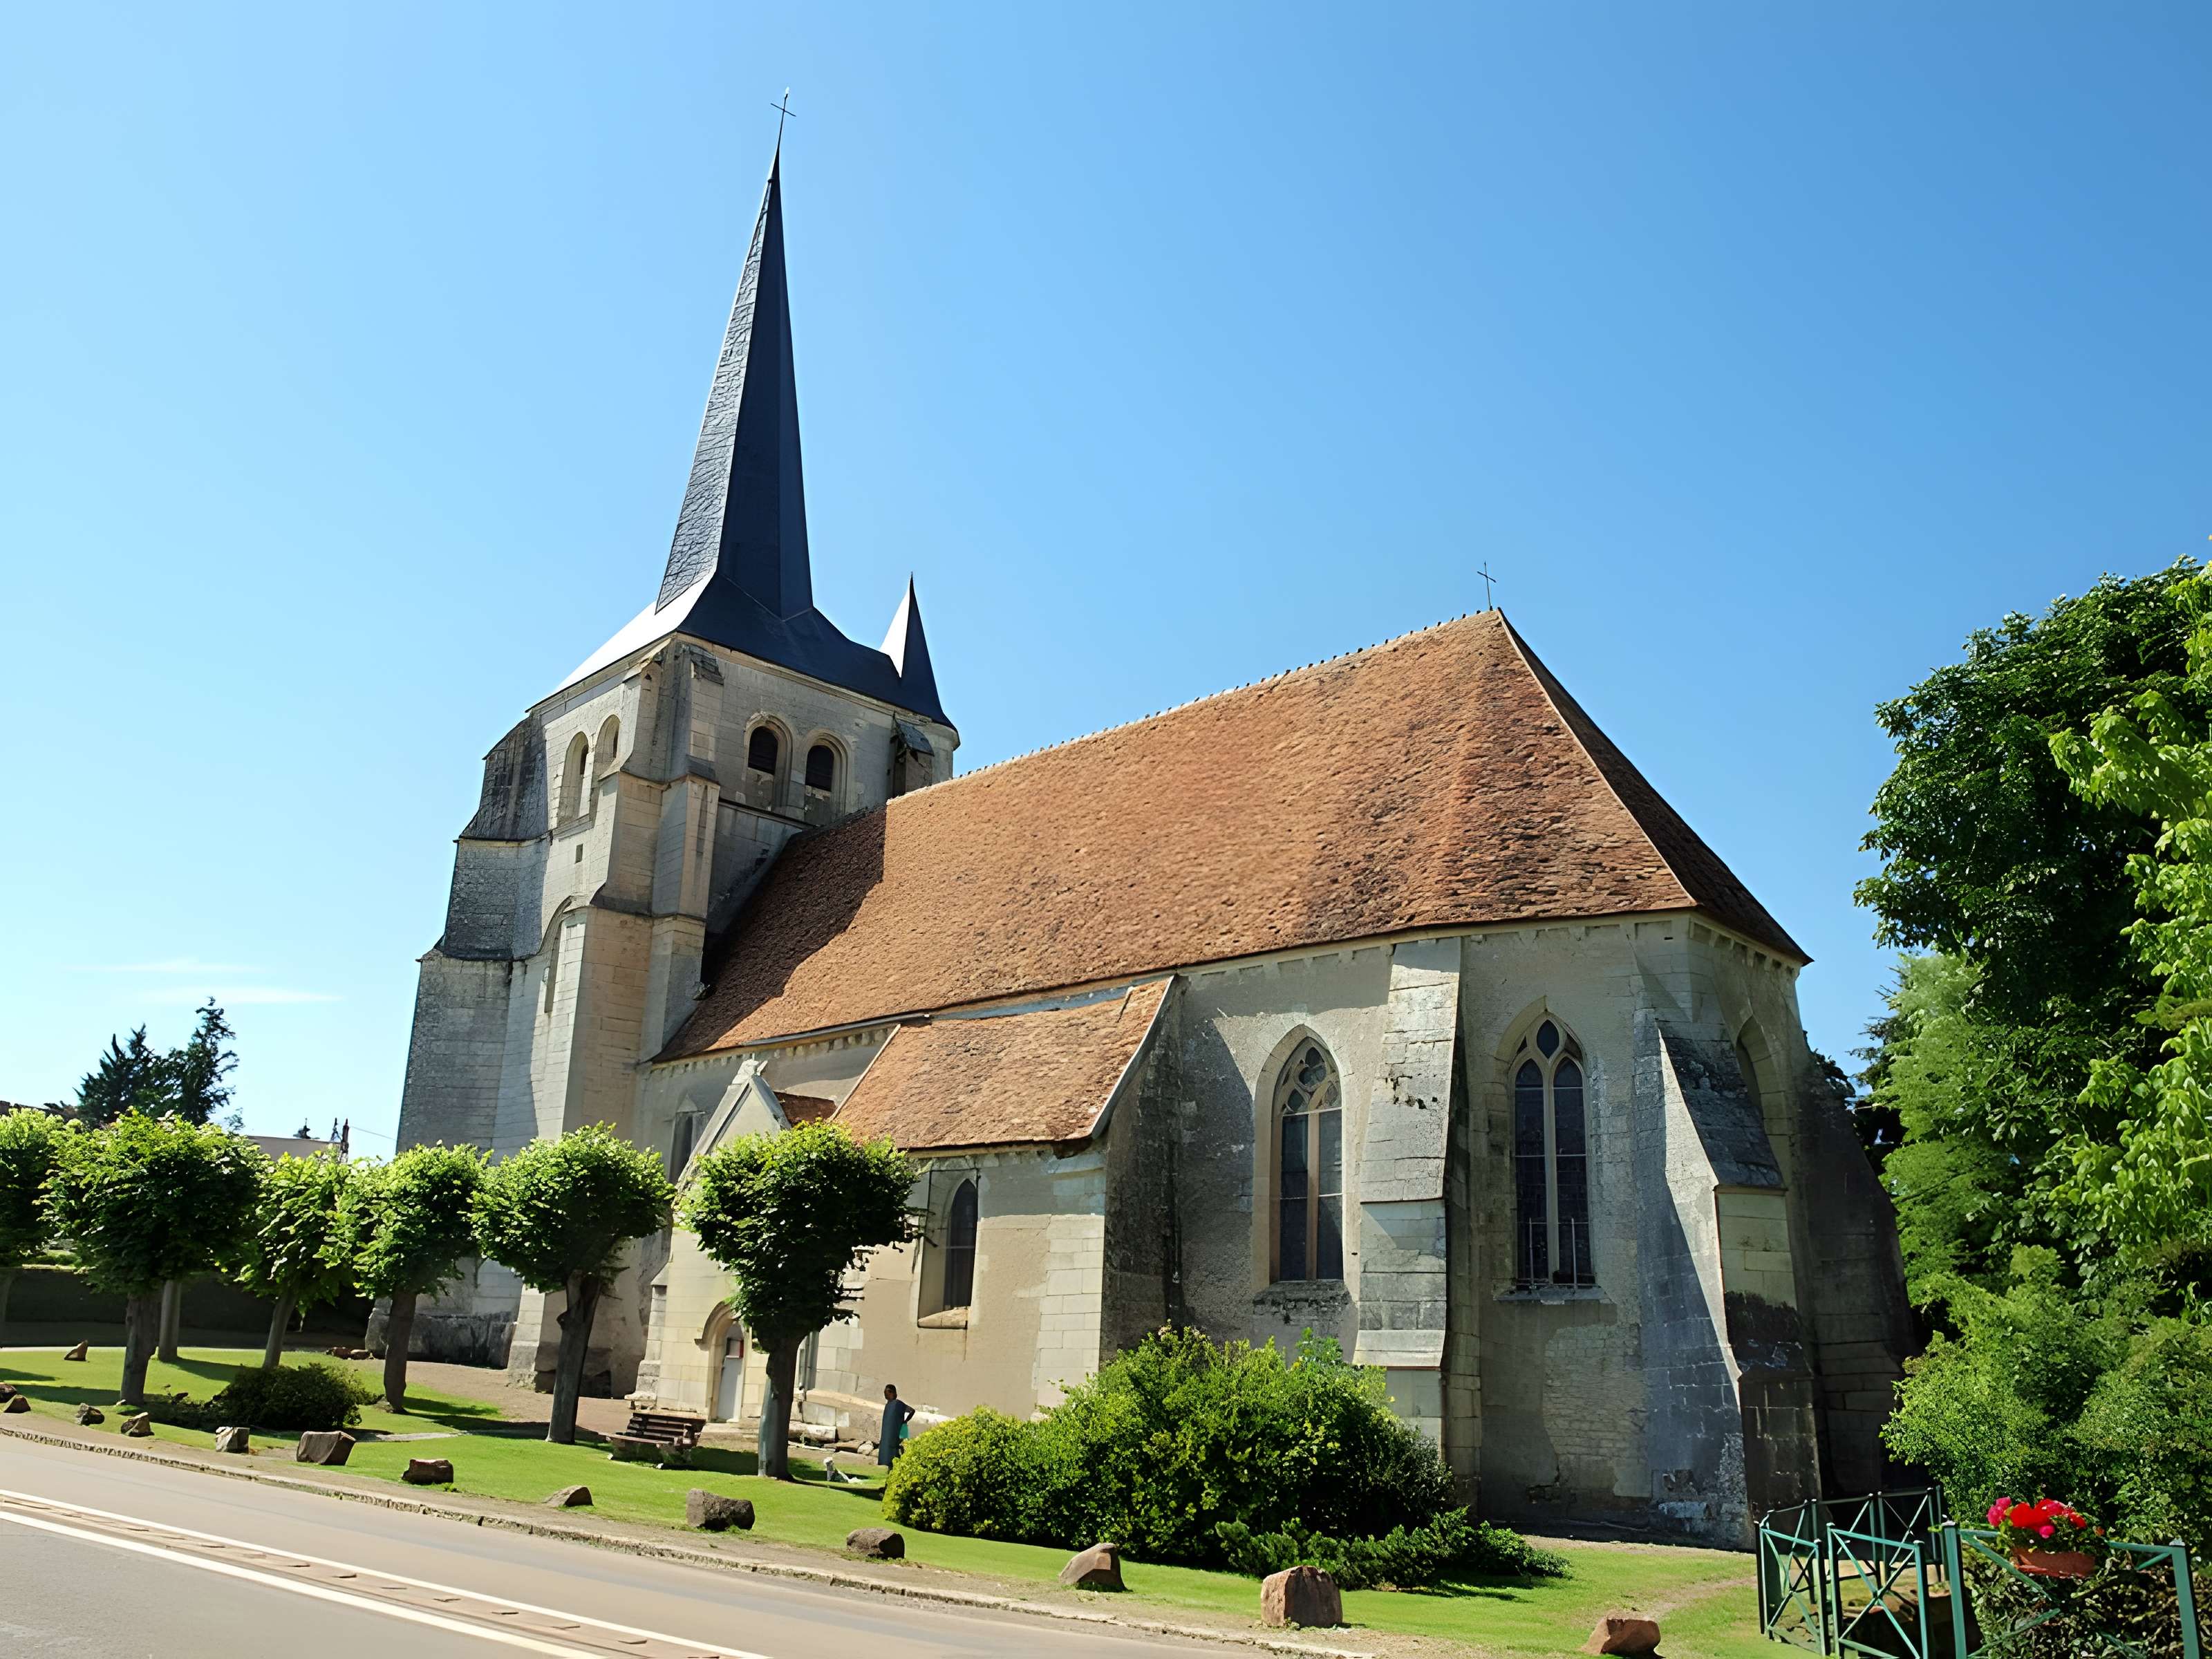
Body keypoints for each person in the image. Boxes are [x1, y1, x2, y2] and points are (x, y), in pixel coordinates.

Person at [877, 1383, 915, 1467]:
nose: (885, 1395)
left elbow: (912, 1411)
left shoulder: (898, 1404)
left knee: (893, 1450)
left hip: (894, 1432)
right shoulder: (888, 1405)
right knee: (886, 1449)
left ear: (891, 1393)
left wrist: (905, 1422)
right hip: (887, 1432)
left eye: (886, 1393)